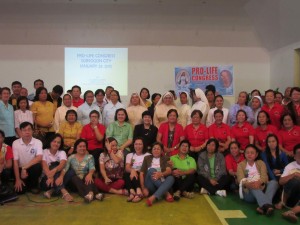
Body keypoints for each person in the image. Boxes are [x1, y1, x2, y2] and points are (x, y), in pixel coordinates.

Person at [237, 144, 278, 215]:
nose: (249, 154)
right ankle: (268, 205)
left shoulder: (261, 163)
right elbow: (240, 179)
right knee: (253, 185)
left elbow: (264, 177)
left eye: (252, 153)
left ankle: (263, 206)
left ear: (256, 154)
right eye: (247, 152)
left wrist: (259, 182)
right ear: (244, 154)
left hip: (262, 187)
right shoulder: (241, 165)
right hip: (249, 192)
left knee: (274, 182)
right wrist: (249, 184)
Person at [61, 139, 103, 203]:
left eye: (84, 146)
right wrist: (60, 177)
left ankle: (89, 195)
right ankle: (95, 193)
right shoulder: (71, 157)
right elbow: (65, 169)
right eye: (80, 146)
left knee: (87, 176)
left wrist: (90, 174)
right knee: (74, 177)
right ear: (76, 148)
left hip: (85, 180)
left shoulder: (90, 157)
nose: (82, 148)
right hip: (75, 183)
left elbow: (92, 167)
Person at [140, 142, 175, 206]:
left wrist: (161, 174)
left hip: (162, 180)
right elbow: (141, 173)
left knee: (171, 178)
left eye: (158, 149)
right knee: (151, 170)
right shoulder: (147, 158)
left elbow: (169, 171)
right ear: (151, 150)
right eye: (154, 149)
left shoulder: (166, 158)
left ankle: (153, 197)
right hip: (150, 184)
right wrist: (143, 188)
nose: (156, 150)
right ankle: (166, 193)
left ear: (162, 151)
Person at [40, 133, 73, 202]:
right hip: (47, 181)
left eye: (58, 142)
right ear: (50, 142)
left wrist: (56, 175)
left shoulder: (62, 152)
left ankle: (52, 190)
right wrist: (50, 176)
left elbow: (62, 164)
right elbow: (45, 166)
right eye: (54, 141)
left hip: (55, 180)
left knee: (71, 171)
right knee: (53, 165)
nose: (56, 144)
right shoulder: (44, 151)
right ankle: (64, 191)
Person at [13, 122, 43, 194]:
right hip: (20, 170)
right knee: (19, 191)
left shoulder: (38, 142)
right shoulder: (15, 143)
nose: (27, 132)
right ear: (20, 131)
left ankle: (33, 185)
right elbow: (15, 162)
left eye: (29, 129)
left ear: (32, 131)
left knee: (38, 166)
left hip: (32, 169)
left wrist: (24, 168)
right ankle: (26, 184)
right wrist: (17, 179)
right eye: (24, 130)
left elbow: (39, 158)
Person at [124, 138, 151, 202]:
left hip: (143, 175)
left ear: (143, 145)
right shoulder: (130, 155)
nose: (138, 146)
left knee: (133, 173)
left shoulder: (148, 155)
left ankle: (138, 192)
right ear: (133, 145)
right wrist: (132, 171)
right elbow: (127, 167)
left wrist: (135, 171)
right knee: (126, 173)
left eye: (140, 144)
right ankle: (132, 192)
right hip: (132, 174)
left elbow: (148, 169)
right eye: (136, 144)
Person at [280, 144, 300, 222]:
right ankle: (289, 209)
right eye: (298, 153)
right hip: (291, 196)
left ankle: (290, 213)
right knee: (296, 181)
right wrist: (294, 174)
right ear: (294, 156)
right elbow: (281, 182)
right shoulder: (290, 166)